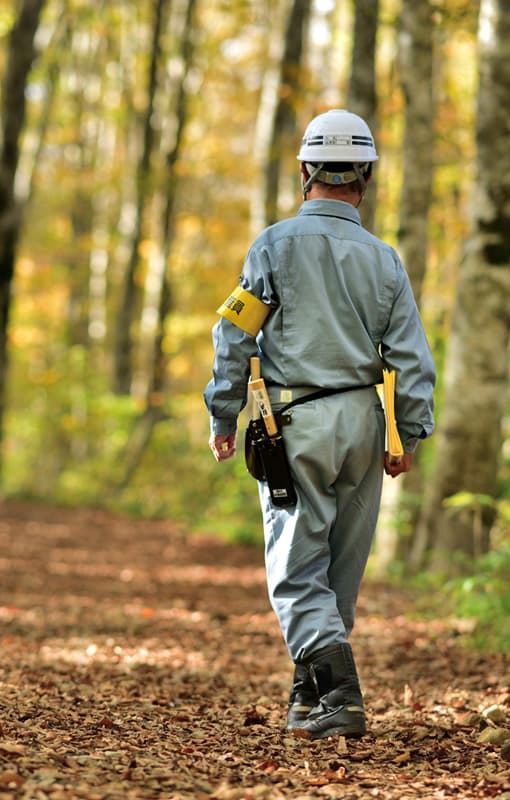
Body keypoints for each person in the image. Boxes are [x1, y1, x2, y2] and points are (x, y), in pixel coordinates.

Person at [203, 109, 436, 740]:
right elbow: (412, 359)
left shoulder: (272, 246)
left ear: (305, 170)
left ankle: (340, 697)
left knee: (294, 567)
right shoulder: (386, 261)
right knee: (338, 571)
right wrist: (407, 435)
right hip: (363, 422)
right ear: (366, 177)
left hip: (294, 422)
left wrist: (224, 410)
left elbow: (234, 334)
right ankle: (312, 700)